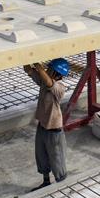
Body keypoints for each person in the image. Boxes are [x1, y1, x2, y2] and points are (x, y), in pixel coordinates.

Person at [23, 58, 69, 190]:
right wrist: (26, 57)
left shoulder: (60, 87)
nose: (47, 70)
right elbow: (29, 70)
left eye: (50, 69)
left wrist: (38, 65)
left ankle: (62, 185)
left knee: (57, 159)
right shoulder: (44, 82)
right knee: (41, 155)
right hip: (42, 126)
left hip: (54, 130)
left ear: (56, 73)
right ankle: (46, 181)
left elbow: (49, 83)